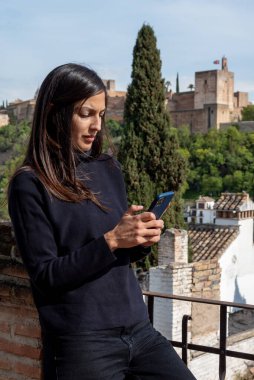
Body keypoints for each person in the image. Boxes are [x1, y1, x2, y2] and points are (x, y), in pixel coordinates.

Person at [8, 63, 196, 380]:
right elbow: (46, 275)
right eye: (86, 113)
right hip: (83, 341)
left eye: (102, 114)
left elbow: (119, 255)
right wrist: (111, 241)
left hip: (138, 328)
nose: (97, 125)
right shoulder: (30, 184)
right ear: (55, 110)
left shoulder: (107, 166)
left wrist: (139, 240)